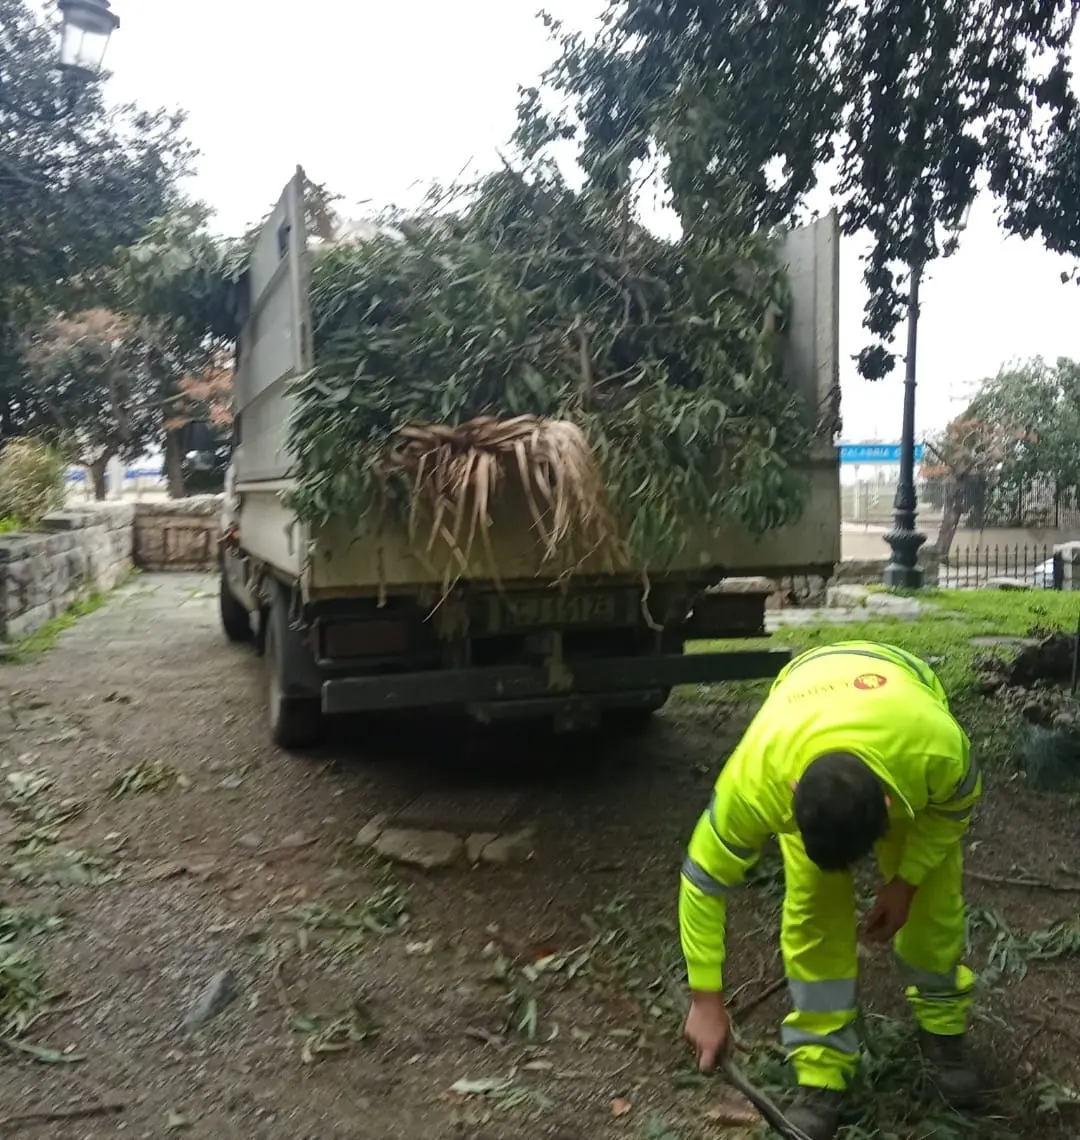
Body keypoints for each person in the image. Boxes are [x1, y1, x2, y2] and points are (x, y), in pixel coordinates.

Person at [679, 641, 982, 1140]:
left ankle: (944, 1031)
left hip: (902, 694)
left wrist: (905, 883)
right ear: (794, 794)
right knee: (814, 913)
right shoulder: (759, 774)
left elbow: (953, 810)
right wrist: (705, 999)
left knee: (933, 908)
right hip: (803, 692)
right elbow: (702, 878)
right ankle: (821, 1073)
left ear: (889, 806)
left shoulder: (936, 749)